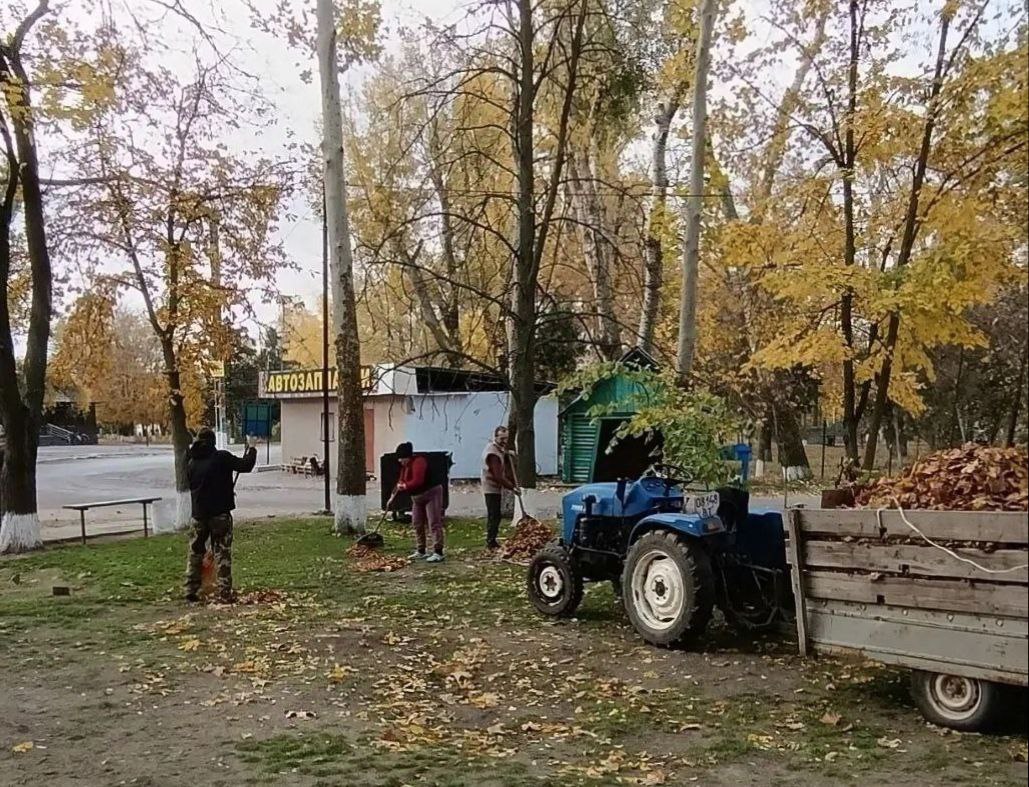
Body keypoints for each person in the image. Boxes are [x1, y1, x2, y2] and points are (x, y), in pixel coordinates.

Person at [184, 428, 258, 603]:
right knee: (222, 552)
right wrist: (252, 448)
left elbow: (194, 484)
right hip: (220, 515)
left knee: (195, 552)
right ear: (213, 442)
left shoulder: (191, 461)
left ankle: (190, 589)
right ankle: (224, 592)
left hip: (199, 515)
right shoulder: (221, 457)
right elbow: (245, 465)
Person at [387, 441, 445, 563]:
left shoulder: (419, 462)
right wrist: (392, 497)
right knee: (417, 522)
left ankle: (438, 551)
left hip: (431, 493)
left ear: (407, 456)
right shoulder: (405, 467)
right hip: (417, 498)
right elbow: (400, 481)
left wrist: (406, 486)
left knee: (433, 522)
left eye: (401, 458)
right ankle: (421, 550)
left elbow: (418, 481)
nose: (399, 461)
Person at [481, 426, 519, 550]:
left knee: (496, 514)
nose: (504, 441)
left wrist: (508, 453)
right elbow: (498, 476)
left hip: (495, 486)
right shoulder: (492, 454)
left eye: (506, 438)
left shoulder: (498, 449)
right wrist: (512, 487)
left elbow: (503, 452)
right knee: (494, 515)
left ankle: (492, 540)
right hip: (490, 487)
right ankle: (491, 542)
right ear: (495, 437)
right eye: (502, 438)